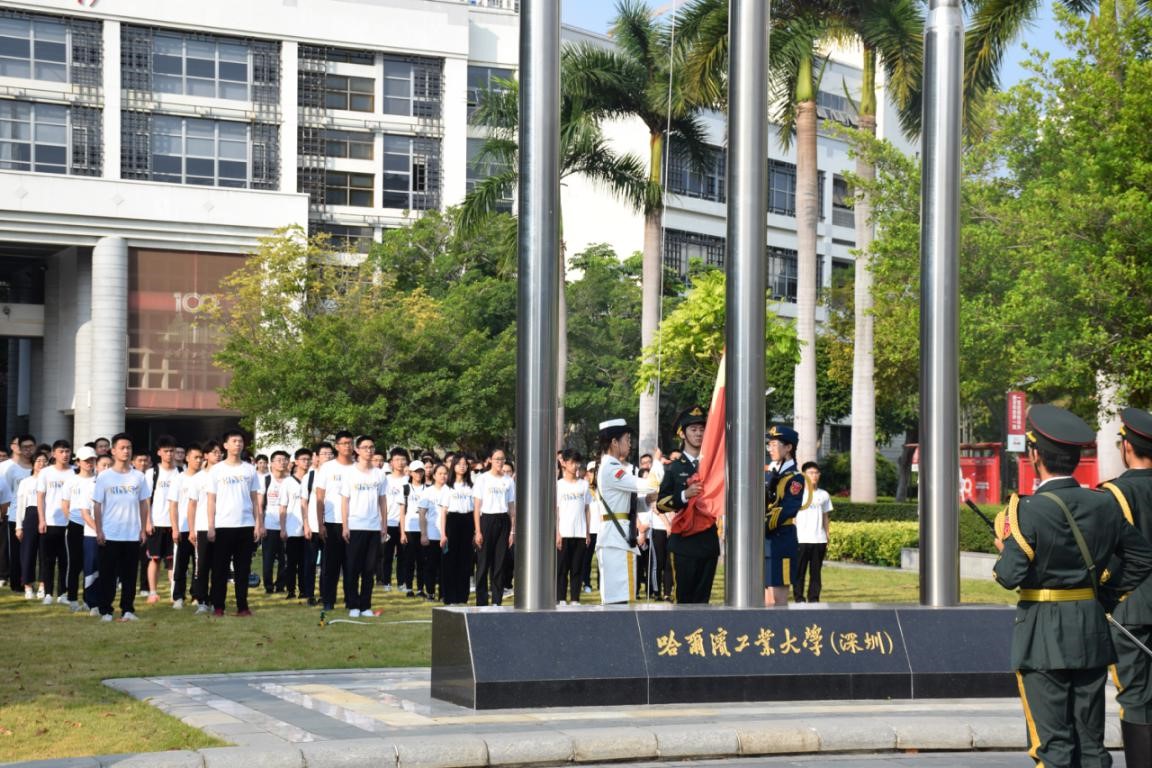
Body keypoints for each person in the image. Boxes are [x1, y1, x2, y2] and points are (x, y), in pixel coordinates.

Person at [994, 404, 1152, 768]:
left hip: (1042, 635)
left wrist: (1004, 549)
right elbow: (1142, 557)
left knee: (1053, 745)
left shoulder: (1027, 510)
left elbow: (1009, 576)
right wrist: (1106, 595)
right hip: (1090, 628)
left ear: (1035, 455)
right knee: (1091, 742)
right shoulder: (1102, 504)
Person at [1098, 406, 1152, 765]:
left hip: (1130, 611)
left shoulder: (1114, 495)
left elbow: (1105, 559)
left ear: (1126, 448)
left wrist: (1107, 595)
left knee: (1136, 699)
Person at [659, 406, 716, 604]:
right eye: (693, 429)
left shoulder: (714, 466)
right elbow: (661, 504)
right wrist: (684, 494)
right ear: (682, 434)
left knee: (703, 600)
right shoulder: (674, 467)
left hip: (708, 540)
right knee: (684, 600)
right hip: (684, 541)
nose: (699, 433)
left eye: (702, 429)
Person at [92, 433, 150, 622]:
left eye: (129, 448)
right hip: (110, 533)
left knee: (130, 575)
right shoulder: (104, 477)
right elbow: (97, 505)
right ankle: (106, 610)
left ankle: (127, 609)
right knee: (108, 575)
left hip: (132, 534)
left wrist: (143, 528)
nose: (126, 451)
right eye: (122, 448)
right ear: (114, 451)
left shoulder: (139, 477)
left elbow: (143, 503)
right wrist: (99, 530)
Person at [594, 419, 652, 605]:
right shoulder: (612, 469)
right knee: (622, 598)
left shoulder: (609, 467)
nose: (629, 443)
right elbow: (646, 484)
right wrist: (658, 468)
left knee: (614, 598)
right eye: (626, 439)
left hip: (614, 536)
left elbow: (622, 505)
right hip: (617, 539)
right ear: (614, 442)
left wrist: (646, 502)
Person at [206, 430, 263, 616]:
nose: (238, 444)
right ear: (226, 445)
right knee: (220, 570)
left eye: (240, 441)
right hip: (223, 526)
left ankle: (242, 606)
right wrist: (211, 526)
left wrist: (258, 524)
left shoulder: (249, 469)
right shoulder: (216, 470)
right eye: (234, 441)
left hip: (245, 525)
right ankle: (218, 606)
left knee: (243, 569)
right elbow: (211, 500)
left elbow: (255, 499)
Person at [339, 435, 387, 618]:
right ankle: (353, 604)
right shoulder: (350, 473)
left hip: (373, 527)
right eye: (365, 447)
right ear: (357, 450)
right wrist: (345, 526)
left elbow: (383, 500)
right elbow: (345, 501)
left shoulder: (379, 474)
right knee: (352, 567)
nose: (369, 450)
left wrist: (383, 524)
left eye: (372, 447)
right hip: (355, 526)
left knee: (369, 569)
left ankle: (365, 604)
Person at [764, 425, 807, 606]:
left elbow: (788, 509)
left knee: (778, 600)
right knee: (765, 598)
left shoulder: (795, 478)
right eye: (769, 445)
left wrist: (760, 524)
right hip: (765, 540)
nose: (771, 449)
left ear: (788, 447)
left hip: (781, 539)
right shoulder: (771, 474)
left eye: (775, 444)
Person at [314, 431, 355, 612]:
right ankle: (328, 600)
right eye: (343, 443)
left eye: (350, 443)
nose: (347, 446)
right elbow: (320, 497)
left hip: (354, 522)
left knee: (351, 565)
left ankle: (351, 599)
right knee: (331, 565)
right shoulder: (328, 468)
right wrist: (320, 523)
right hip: (332, 522)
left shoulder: (357, 468)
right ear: (337, 446)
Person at [472, 448, 515, 606]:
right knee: (483, 563)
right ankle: (481, 601)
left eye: (502, 459)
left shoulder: (508, 481)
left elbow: (511, 507)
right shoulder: (482, 479)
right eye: (497, 459)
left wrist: (512, 531)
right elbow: (477, 507)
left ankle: (497, 600)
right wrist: (478, 530)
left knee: (500, 563)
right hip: (487, 520)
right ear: (490, 460)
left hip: (503, 520)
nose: (500, 462)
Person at [36, 439, 74, 606]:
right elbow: (40, 498)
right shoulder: (46, 473)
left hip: (69, 523)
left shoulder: (74, 472)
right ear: (53, 454)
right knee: (48, 560)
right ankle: (48, 593)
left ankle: (63, 593)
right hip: (50, 521)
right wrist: (42, 519)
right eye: (61, 451)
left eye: (67, 451)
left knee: (66, 560)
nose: (65, 455)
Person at [145, 435, 180, 605]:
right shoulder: (151, 473)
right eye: (166, 451)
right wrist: (147, 522)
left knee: (173, 560)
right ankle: (152, 592)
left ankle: (175, 593)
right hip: (157, 522)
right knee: (155, 559)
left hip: (177, 524)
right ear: (159, 452)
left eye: (172, 451)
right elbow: (146, 500)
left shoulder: (181, 472)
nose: (169, 454)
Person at [167, 444, 202, 609]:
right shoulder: (178, 479)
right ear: (187, 458)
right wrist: (174, 528)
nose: (199, 461)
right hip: (183, 527)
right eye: (195, 457)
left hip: (200, 527)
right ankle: (178, 596)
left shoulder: (204, 478)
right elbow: (173, 505)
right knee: (180, 564)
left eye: (201, 457)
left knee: (199, 564)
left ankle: (197, 594)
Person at [188, 440, 221, 613]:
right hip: (201, 527)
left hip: (222, 525)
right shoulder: (198, 478)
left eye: (219, 452)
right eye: (214, 452)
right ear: (206, 456)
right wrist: (191, 529)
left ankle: (216, 600)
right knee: (202, 566)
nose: (218, 454)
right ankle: (201, 600)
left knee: (219, 565)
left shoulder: (223, 475)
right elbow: (192, 505)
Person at [794, 461, 833, 603]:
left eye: (816, 473)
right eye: (811, 473)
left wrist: (827, 534)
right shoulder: (796, 494)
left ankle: (814, 598)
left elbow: (825, 516)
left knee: (816, 572)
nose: (814, 476)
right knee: (799, 571)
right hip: (801, 539)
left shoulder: (824, 495)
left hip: (819, 539)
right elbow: (791, 515)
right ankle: (799, 598)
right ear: (803, 475)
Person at [556, 449, 591, 605]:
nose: (575, 466)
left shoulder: (584, 484)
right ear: (563, 463)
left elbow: (587, 509)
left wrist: (588, 532)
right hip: (564, 532)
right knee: (562, 569)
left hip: (580, 533)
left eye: (577, 462)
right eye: (572, 462)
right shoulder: (558, 485)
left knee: (577, 568)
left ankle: (575, 599)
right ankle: (561, 598)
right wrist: (557, 533)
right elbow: (555, 511)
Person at [440, 454, 474, 605]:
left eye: (465, 464)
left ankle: (462, 596)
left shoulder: (472, 487)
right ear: (453, 466)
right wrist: (443, 534)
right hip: (452, 522)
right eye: (459, 463)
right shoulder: (447, 487)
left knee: (465, 561)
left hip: (468, 521)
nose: (462, 466)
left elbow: (475, 509)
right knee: (450, 561)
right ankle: (450, 596)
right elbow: (443, 513)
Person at [16, 451, 48, 600]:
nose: (41, 464)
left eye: (44, 461)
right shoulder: (26, 482)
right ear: (33, 463)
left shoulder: (49, 480)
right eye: (38, 461)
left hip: (47, 516)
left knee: (44, 553)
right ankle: (28, 585)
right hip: (30, 516)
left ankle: (43, 585)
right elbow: (20, 504)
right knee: (28, 553)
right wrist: (18, 526)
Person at [262, 451, 292, 594]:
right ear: (271, 463)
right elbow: (260, 504)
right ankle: (268, 586)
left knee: (284, 559)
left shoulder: (291, 481)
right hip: (269, 525)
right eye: (279, 460)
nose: (282, 462)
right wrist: (260, 525)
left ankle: (281, 585)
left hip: (288, 525)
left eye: (285, 460)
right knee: (268, 558)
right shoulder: (265, 480)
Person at [381, 447, 409, 592]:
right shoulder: (385, 480)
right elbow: (382, 502)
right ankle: (386, 582)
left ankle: (401, 583)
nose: (400, 462)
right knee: (387, 555)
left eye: (403, 459)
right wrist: (383, 523)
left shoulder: (408, 479)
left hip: (405, 523)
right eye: (397, 459)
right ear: (391, 462)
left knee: (403, 555)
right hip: (389, 522)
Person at [419, 463, 447, 602]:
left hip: (446, 536)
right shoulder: (427, 492)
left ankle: (443, 594)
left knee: (445, 567)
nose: (443, 476)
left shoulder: (450, 491)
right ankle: (430, 592)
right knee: (430, 565)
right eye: (440, 473)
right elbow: (422, 515)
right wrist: (423, 534)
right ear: (434, 475)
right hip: (431, 534)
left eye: (445, 473)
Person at [400, 460, 427, 597]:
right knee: (409, 560)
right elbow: (402, 511)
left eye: (421, 471)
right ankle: (409, 587)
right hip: (409, 528)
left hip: (424, 529)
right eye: (416, 471)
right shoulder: (405, 488)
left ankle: (420, 589)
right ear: (410, 472)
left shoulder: (428, 489)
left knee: (422, 560)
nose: (419, 474)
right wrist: (402, 532)